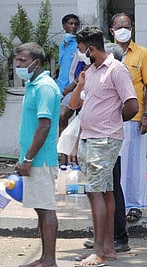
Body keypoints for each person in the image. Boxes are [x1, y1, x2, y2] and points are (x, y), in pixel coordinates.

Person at [73, 26, 138, 267]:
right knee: (106, 192)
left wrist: (111, 120)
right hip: (89, 137)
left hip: (105, 138)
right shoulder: (90, 72)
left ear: (90, 48)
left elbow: (132, 106)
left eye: (81, 50)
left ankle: (98, 252)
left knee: (95, 192)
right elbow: (79, 106)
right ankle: (108, 248)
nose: (81, 55)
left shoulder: (117, 69)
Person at [14, 42, 61, 267]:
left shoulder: (44, 87)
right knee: (40, 210)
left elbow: (44, 126)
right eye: (17, 61)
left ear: (36, 62)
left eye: (22, 61)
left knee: (46, 208)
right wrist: (23, 157)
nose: (18, 65)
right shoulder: (33, 85)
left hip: (41, 160)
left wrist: (29, 158)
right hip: (32, 159)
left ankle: (50, 260)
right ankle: (44, 258)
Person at [110, 13, 147, 223]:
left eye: (126, 26)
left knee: (134, 164)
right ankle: (115, 205)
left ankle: (135, 205)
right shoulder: (107, 52)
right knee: (114, 164)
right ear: (112, 30)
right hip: (110, 118)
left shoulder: (142, 53)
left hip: (136, 117)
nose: (123, 30)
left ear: (133, 29)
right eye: (119, 27)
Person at [56, 14, 83, 165]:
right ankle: (64, 157)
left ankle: (76, 155)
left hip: (76, 86)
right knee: (61, 120)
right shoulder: (64, 43)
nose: (73, 26)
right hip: (62, 86)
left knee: (68, 116)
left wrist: (73, 85)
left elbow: (84, 66)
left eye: (75, 24)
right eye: (70, 23)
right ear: (64, 26)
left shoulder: (79, 42)